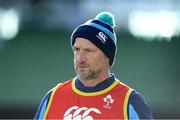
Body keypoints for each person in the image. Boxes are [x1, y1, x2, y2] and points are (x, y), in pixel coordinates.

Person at [34, 11, 153, 119]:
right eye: (76, 49)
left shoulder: (130, 102)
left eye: (88, 51)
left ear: (107, 56)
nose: (80, 58)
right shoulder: (53, 97)